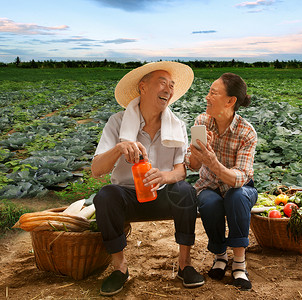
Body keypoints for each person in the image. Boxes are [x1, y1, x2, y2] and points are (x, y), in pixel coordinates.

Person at [91, 61, 204, 296]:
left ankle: (185, 265)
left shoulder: (177, 126)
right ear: (143, 87)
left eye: (171, 85)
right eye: (162, 82)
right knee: (105, 196)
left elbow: (181, 170)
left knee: (184, 190)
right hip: (127, 197)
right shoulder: (117, 122)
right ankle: (120, 268)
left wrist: (164, 176)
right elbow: (96, 170)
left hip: (162, 193)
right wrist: (119, 148)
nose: (168, 89)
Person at [184, 73, 258, 291]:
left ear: (230, 101)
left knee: (236, 197)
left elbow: (240, 178)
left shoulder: (247, 133)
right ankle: (220, 255)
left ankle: (239, 263)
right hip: (209, 186)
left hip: (242, 188)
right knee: (208, 202)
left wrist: (214, 163)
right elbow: (195, 166)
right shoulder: (202, 121)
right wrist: (198, 153)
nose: (207, 97)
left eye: (213, 93)